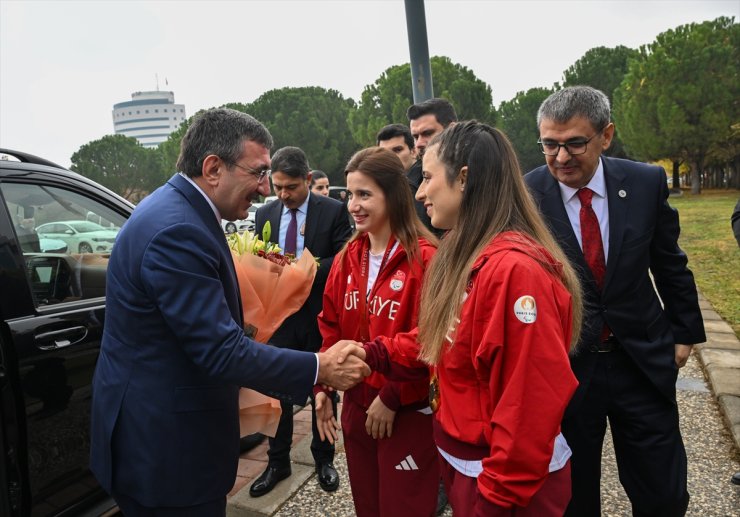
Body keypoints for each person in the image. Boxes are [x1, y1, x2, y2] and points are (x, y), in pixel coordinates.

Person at [89, 108, 369, 516]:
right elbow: (220, 351)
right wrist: (319, 368)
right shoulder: (177, 231)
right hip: (170, 452)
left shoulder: (178, 211)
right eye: (258, 173)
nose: (263, 190)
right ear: (213, 168)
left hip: (161, 437)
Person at [352, 120, 582, 515]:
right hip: (471, 468)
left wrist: (494, 502)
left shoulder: (515, 272)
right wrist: (372, 354)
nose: (420, 191)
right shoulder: (470, 253)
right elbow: (442, 341)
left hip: (501, 486)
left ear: (463, 178)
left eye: (426, 177)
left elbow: (528, 407)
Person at [524, 86, 706, 517]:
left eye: (574, 144)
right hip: (567, 367)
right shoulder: (527, 194)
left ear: (606, 135)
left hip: (640, 360)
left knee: (663, 493)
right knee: (574, 496)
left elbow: (669, 263)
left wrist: (684, 334)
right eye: (550, 145)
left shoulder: (644, 182)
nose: (561, 158)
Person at [315, 147, 440, 517]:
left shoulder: (427, 258)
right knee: (368, 508)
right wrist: (322, 385)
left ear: (393, 195)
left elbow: (432, 340)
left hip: (404, 411)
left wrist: (393, 395)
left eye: (365, 194)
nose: (353, 205)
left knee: (404, 509)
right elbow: (331, 325)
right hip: (357, 407)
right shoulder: (347, 257)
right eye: (350, 195)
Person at [250, 146, 353, 497]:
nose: (283, 194)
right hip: (278, 318)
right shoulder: (265, 213)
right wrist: (271, 265)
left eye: (291, 187)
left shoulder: (334, 210)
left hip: (319, 315)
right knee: (274, 391)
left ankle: (323, 459)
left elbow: (343, 258)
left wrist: (302, 269)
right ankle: (277, 463)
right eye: (278, 187)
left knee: (323, 386)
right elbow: (258, 254)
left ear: (307, 179)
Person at [406, 98, 457, 236]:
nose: (419, 144)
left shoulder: (482, 173)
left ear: (451, 129)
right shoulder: (409, 184)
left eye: (427, 133)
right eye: (415, 137)